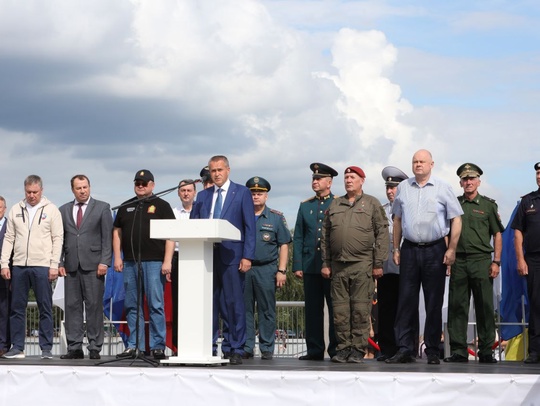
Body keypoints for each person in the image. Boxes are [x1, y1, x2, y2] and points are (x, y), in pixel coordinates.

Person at [386, 149, 463, 365]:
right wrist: (396, 248)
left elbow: (456, 219)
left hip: (435, 249)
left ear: (431, 164)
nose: (418, 164)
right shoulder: (403, 188)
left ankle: (431, 350)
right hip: (409, 248)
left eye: (422, 161)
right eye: (415, 161)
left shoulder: (443, 188)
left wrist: (452, 248)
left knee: (433, 302)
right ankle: (404, 348)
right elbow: (398, 220)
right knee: (406, 301)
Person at [190, 155, 256, 365]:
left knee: (233, 303)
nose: (216, 174)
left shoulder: (242, 192)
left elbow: (249, 227)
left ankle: (234, 347)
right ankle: (207, 346)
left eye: (220, 170)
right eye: (213, 170)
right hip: (206, 256)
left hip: (232, 256)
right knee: (208, 303)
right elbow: (194, 225)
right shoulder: (203, 195)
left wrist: (247, 255)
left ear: (228, 170)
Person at [321, 166, 389, 363]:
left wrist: (378, 263)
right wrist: (325, 263)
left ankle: (358, 350)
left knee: (360, 310)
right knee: (340, 312)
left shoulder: (372, 204)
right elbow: (325, 236)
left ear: (362, 180)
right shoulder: (335, 204)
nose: (348, 180)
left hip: (363, 265)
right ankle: (343, 349)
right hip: (338, 266)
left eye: (353, 177)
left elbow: (382, 233)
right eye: (346, 177)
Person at [444, 163, 504, 364]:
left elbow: (497, 234)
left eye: (472, 179)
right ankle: (459, 351)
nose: (468, 182)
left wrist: (496, 261)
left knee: (485, 307)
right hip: (459, 260)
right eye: (464, 179)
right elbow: (446, 231)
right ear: (460, 182)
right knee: (457, 306)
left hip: (481, 261)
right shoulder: (454, 203)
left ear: (478, 181)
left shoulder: (488, 205)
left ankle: (486, 350)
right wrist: (449, 258)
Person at [113, 169, 175, 361]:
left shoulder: (162, 206)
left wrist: (167, 260)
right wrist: (117, 257)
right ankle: (135, 345)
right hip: (131, 262)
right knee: (132, 305)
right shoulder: (126, 206)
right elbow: (117, 232)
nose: (140, 186)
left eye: (144, 183)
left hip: (155, 262)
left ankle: (157, 345)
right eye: (137, 183)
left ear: (152, 185)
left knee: (156, 304)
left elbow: (170, 235)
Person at [0, 175, 63, 359]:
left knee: (45, 307)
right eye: (28, 192)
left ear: (41, 191)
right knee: (16, 308)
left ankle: (46, 348)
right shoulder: (15, 210)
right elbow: (9, 238)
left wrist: (54, 264)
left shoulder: (51, 210)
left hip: (42, 266)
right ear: (24, 191)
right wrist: (4, 263)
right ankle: (17, 346)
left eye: (35, 192)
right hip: (19, 265)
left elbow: (57, 238)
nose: (32, 195)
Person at [58, 175, 113, 360]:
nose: (83, 191)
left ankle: (95, 346)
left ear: (90, 187)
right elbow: (60, 239)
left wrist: (105, 261)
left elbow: (107, 238)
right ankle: (74, 347)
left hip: (94, 265)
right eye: (79, 188)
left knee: (94, 306)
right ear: (72, 190)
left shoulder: (102, 208)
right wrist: (59, 262)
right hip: (71, 265)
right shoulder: (64, 210)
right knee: (72, 307)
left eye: (85, 187)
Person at [293, 162, 338, 360]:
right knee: (312, 310)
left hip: (332, 265)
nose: (315, 182)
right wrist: (297, 265)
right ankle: (314, 349)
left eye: (319, 179)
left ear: (329, 182)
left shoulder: (337, 203)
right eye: (313, 179)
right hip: (311, 265)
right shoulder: (306, 206)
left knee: (336, 308)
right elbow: (299, 237)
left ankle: (335, 349)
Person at [243, 176, 291, 360]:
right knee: (245, 309)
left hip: (267, 269)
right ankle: (247, 346)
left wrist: (282, 270)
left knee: (266, 309)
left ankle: (266, 347)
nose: (255, 196)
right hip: (245, 268)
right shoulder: (241, 216)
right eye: (252, 193)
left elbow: (284, 244)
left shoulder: (276, 217)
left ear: (266, 196)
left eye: (259, 193)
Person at [376, 166, 410, 362]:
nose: (390, 191)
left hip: (406, 267)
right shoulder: (381, 211)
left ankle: (404, 347)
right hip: (386, 267)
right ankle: (387, 348)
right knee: (386, 309)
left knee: (404, 309)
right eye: (388, 187)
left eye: (394, 187)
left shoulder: (409, 209)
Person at [511, 162, 540, 364]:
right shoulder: (528, 201)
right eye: (538, 173)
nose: (539, 176)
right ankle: (536, 351)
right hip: (534, 259)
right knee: (536, 305)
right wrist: (520, 259)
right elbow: (518, 231)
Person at [170, 178, 197, 350]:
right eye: (183, 190)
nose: (186, 193)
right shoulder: (173, 213)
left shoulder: (203, 211)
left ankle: (197, 343)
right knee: (178, 303)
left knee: (196, 303)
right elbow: (170, 238)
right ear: (178, 193)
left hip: (198, 258)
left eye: (189, 190)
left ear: (195, 192)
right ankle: (179, 345)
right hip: (178, 258)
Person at [0, 196, 11, 357]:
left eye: (0, 207)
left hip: (5, 275)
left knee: (4, 310)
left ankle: (3, 345)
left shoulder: (10, 226)